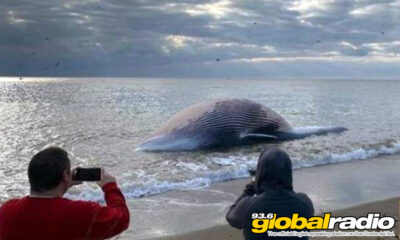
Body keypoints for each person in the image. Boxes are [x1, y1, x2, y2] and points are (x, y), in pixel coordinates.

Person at [0, 147, 130, 240]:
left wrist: (65, 183)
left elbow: (45, 206)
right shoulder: (84, 212)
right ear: (65, 175)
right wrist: (110, 186)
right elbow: (122, 219)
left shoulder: (7, 210)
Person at [226, 147, 314, 240]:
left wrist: (250, 188)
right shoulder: (305, 203)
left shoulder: (249, 206)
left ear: (260, 173)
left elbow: (231, 217)